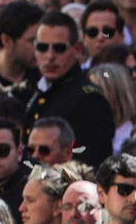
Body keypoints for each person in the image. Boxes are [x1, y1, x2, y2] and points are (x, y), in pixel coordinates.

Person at [21, 12, 116, 162]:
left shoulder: (89, 99)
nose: (50, 56)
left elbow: (94, 160)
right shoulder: (36, 90)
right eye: (42, 47)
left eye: (59, 48)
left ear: (77, 49)